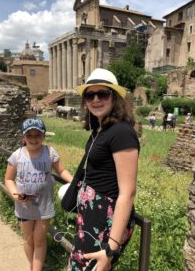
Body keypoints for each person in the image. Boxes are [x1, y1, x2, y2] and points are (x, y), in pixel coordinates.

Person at [68, 68, 139, 271]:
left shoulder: (121, 133)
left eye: (103, 94)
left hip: (106, 221)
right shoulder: (100, 129)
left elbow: (127, 193)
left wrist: (111, 248)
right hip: (91, 218)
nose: (96, 99)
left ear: (114, 97)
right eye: (90, 94)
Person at [5, 116, 73, 271]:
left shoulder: (49, 152)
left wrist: (75, 183)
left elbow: (61, 170)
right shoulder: (17, 155)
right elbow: (8, 179)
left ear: (43, 136)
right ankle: (34, 265)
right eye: (29, 135)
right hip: (24, 207)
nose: (34, 139)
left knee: (40, 240)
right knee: (29, 240)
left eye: (38, 135)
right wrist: (16, 195)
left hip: (44, 205)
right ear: (23, 136)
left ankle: (36, 268)